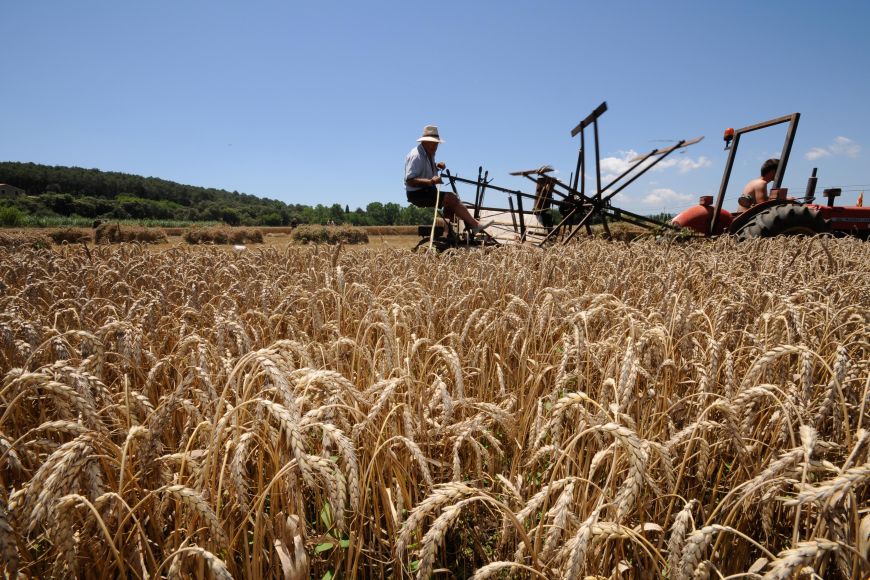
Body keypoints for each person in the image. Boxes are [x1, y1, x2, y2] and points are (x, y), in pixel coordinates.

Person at [405, 125, 492, 234]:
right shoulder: (416, 156)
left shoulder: (429, 153)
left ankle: (447, 233)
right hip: (417, 193)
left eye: (437, 144)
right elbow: (409, 180)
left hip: (427, 190)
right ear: (425, 142)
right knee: (451, 198)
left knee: (452, 203)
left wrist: (436, 166)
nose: (435, 147)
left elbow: (424, 170)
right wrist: (431, 182)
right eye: (433, 144)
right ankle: (475, 225)